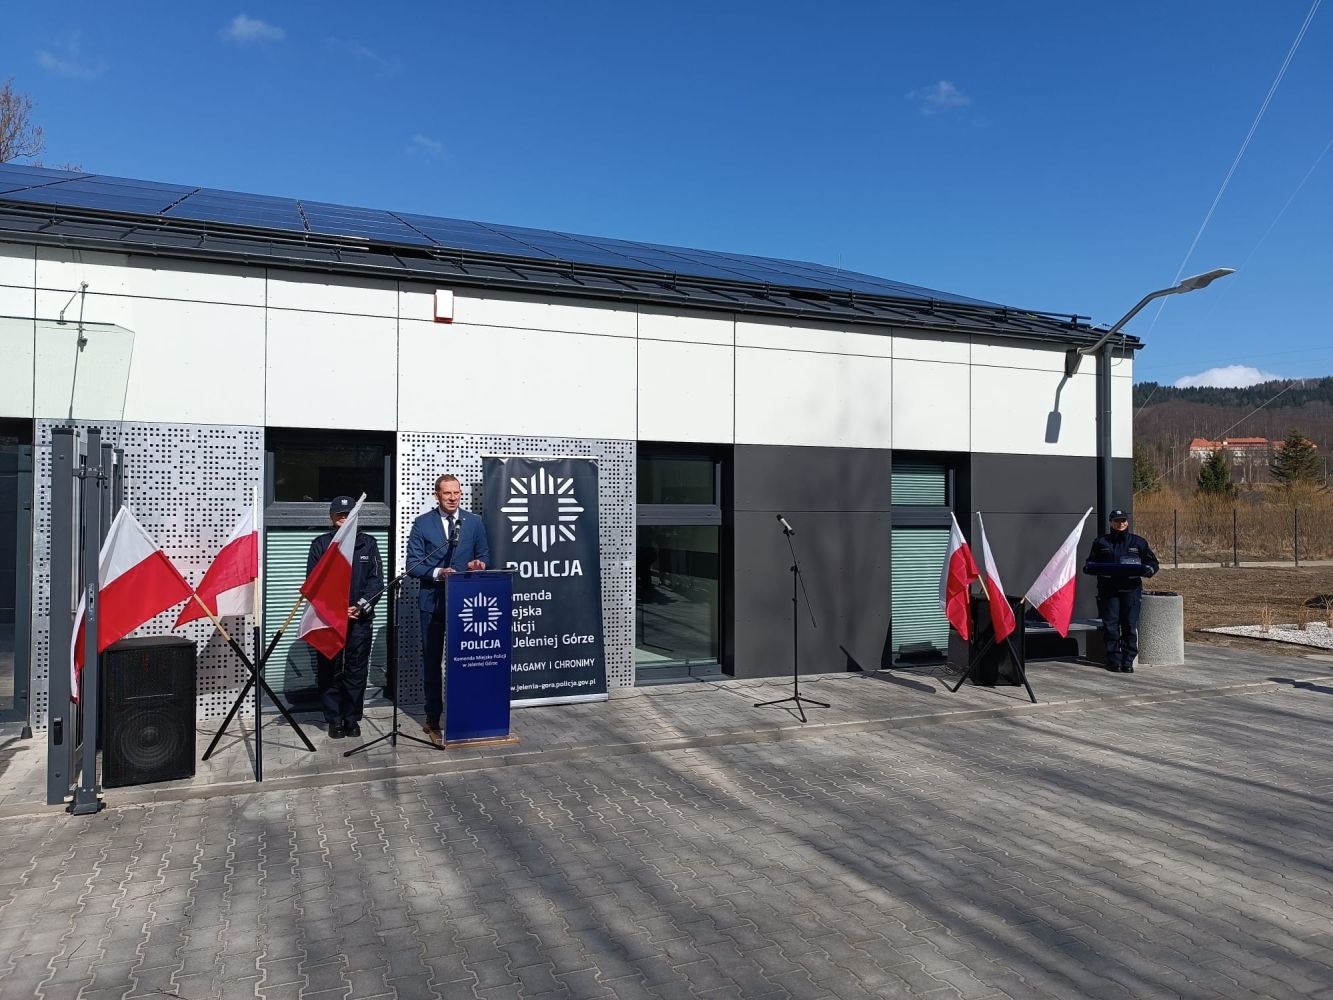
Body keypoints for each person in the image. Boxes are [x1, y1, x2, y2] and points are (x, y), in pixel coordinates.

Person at [406, 474, 490, 738]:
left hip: (465, 604)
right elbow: (413, 565)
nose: (453, 498)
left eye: (456, 493)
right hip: (432, 604)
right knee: (432, 662)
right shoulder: (422, 523)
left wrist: (478, 564)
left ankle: (466, 712)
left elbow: (483, 554)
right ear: (437, 495)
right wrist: (438, 572)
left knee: (466, 660)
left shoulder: (474, 522)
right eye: (447, 493)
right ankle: (433, 716)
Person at [309, 495, 383, 739]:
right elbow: (313, 583)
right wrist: (336, 609)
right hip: (328, 621)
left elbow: (376, 582)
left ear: (355, 516)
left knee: (356, 670)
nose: (343, 517)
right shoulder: (321, 544)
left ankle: (351, 719)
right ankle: (334, 719)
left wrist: (360, 607)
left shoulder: (368, 544)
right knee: (329, 670)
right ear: (331, 517)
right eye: (338, 514)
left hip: (359, 619)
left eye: (348, 513)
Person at [1083, 508, 1159, 673]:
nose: (1121, 523)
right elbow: (1090, 563)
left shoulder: (1138, 542)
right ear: (1111, 523)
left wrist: (1150, 570)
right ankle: (1114, 661)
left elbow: (1153, 562)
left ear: (1127, 522)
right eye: (1117, 521)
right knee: (1111, 626)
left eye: (1123, 520)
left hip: (1131, 590)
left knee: (1129, 626)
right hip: (1109, 591)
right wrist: (1089, 568)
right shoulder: (1101, 542)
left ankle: (1127, 661)